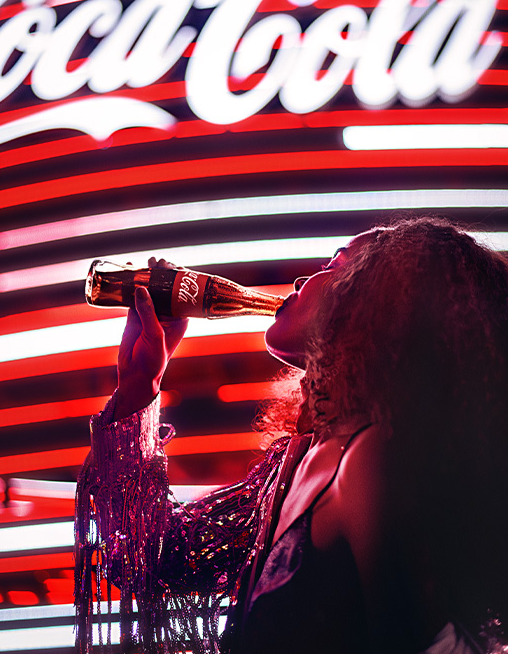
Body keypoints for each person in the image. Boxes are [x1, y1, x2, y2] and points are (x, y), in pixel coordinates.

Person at [75, 216, 508, 654]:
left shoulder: (371, 457)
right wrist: (138, 384)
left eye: (335, 265)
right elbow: (154, 556)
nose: (304, 277)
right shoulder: (292, 464)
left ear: (381, 304)